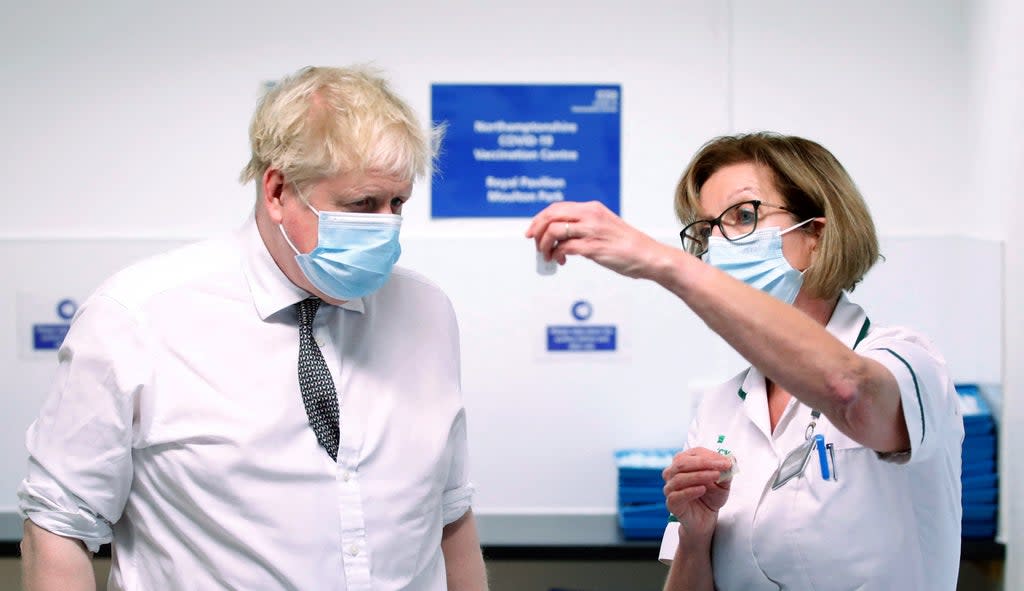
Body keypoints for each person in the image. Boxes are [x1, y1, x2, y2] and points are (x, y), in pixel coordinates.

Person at [19, 66, 488, 591]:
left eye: (396, 204)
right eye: (361, 205)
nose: (384, 226)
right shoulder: (136, 317)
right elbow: (58, 529)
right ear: (278, 190)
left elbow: (450, 514)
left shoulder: (426, 312)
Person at [526, 132, 963, 590]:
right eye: (705, 230)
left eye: (743, 215)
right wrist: (697, 534)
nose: (718, 244)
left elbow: (849, 391)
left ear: (817, 232)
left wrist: (664, 263)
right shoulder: (721, 409)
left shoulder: (909, 361)